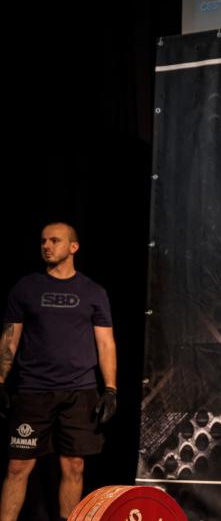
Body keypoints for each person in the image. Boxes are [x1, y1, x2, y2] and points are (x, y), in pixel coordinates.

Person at [0, 222, 118, 521]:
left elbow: (105, 343)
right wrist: (0, 380)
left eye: (54, 240)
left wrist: (110, 389)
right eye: (43, 241)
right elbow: (10, 338)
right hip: (33, 390)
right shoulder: (26, 288)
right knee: (17, 466)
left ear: (73, 247)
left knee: (74, 466)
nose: (46, 246)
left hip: (79, 391)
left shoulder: (93, 292)